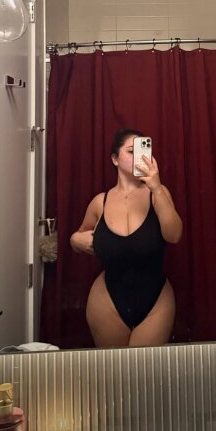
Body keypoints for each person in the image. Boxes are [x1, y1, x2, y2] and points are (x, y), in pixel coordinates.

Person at [70, 129, 183, 347]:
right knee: (112, 367)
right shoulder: (99, 202)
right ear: (115, 159)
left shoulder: (158, 194)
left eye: (142, 151)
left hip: (156, 300)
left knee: (144, 367)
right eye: (131, 151)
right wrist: (75, 240)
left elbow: (174, 235)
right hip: (107, 300)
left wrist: (156, 188)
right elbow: (78, 237)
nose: (138, 157)